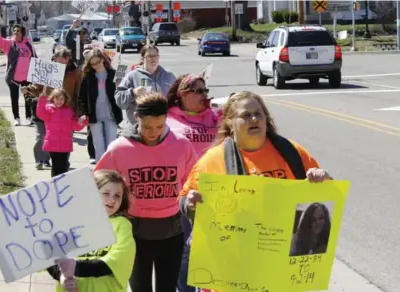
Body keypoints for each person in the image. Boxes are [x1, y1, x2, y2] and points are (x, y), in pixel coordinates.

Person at [177, 91, 333, 292]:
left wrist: (323, 179)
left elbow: (324, 197)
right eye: (245, 115)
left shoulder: (292, 153)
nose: (253, 119)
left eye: (258, 114)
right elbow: (184, 199)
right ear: (230, 123)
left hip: (279, 274)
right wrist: (190, 203)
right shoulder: (212, 161)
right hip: (231, 275)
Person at [95, 92, 197, 292]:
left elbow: (194, 181)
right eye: (147, 126)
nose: (153, 132)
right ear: (136, 117)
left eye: (160, 126)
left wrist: (192, 197)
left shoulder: (181, 145)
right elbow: (98, 181)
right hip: (134, 232)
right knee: (140, 288)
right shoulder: (119, 149)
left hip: (172, 230)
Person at [165, 73, 220, 292]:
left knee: (212, 249)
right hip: (185, 197)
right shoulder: (168, 118)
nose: (204, 95)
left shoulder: (217, 116)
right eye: (198, 91)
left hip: (217, 195)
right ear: (182, 95)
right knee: (186, 251)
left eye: (205, 90)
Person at [47, 170, 136, 292]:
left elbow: (114, 263)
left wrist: (76, 268)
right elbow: (49, 260)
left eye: (117, 195)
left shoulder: (122, 225)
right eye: (106, 193)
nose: (112, 200)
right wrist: (61, 276)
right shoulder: (70, 222)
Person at [23, 47, 83, 169]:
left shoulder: (75, 73)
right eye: (57, 60)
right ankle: (41, 160)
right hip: (48, 108)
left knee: (65, 137)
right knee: (43, 135)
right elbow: (38, 86)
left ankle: (63, 161)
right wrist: (28, 89)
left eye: (62, 61)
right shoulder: (48, 69)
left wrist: (78, 111)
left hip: (67, 110)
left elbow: (78, 92)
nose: (59, 63)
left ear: (68, 59)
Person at [114, 44, 176, 129]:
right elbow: (119, 100)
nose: (153, 58)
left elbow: (178, 99)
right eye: (149, 56)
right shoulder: (132, 76)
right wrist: (133, 93)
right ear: (143, 58)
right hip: (138, 127)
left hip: (163, 126)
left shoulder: (169, 76)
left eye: (155, 55)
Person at [77, 48, 122, 162]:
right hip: (94, 117)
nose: (96, 66)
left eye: (98, 62)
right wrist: (82, 113)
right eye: (92, 64)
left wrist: (119, 85)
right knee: (99, 146)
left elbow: (122, 92)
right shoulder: (87, 77)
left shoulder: (114, 74)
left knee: (111, 145)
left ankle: (111, 171)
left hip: (111, 115)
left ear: (103, 59)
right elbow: (81, 98)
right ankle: (101, 173)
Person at [0, 21, 36, 126]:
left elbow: (34, 58)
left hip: (27, 76)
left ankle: (29, 117)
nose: (16, 33)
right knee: (14, 98)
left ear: (22, 33)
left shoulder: (28, 44)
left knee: (28, 97)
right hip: (13, 77)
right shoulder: (9, 44)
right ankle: (17, 118)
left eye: (18, 31)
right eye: (14, 31)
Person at [36, 88, 87, 177]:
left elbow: (75, 126)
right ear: (53, 98)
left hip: (65, 144)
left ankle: (62, 186)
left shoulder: (69, 111)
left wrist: (82, 122)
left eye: (61, 99)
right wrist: (42, 99)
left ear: (65, 100)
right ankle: (55, 186)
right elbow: (40, 113)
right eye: (57, 99)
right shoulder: (48, 110)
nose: (59, 101)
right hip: (52, 143)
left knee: (64, 167)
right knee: (55, 167)